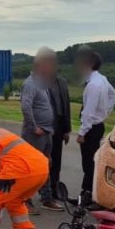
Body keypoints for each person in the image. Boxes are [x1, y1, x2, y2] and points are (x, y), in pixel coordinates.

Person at [20, 47, 63, 211]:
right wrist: (34, 127)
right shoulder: (30, 84)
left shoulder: (42, 84)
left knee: (45, 166)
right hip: (35, 134)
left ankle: (46, 198)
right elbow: (26, 106)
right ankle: (24, 200)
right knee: (30, 167)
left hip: (46, 132)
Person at [75, 50, 115, 203]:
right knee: (92, 161)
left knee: (89, 163)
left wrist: (82, 132)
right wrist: (104, 112)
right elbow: (114, 96)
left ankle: (87, 195)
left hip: (91, 128)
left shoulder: (93, 85)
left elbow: (88, 111)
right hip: (98, 125)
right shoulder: (102, 79)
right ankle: (87, 193)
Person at [47, 52, 71, 200]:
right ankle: (45, 190)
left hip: (60, 127)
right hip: (46, 129)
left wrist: (67, 130)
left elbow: (66, 106)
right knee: (45, 160)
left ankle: (54, 188)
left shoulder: (62, 82)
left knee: (56, 161)